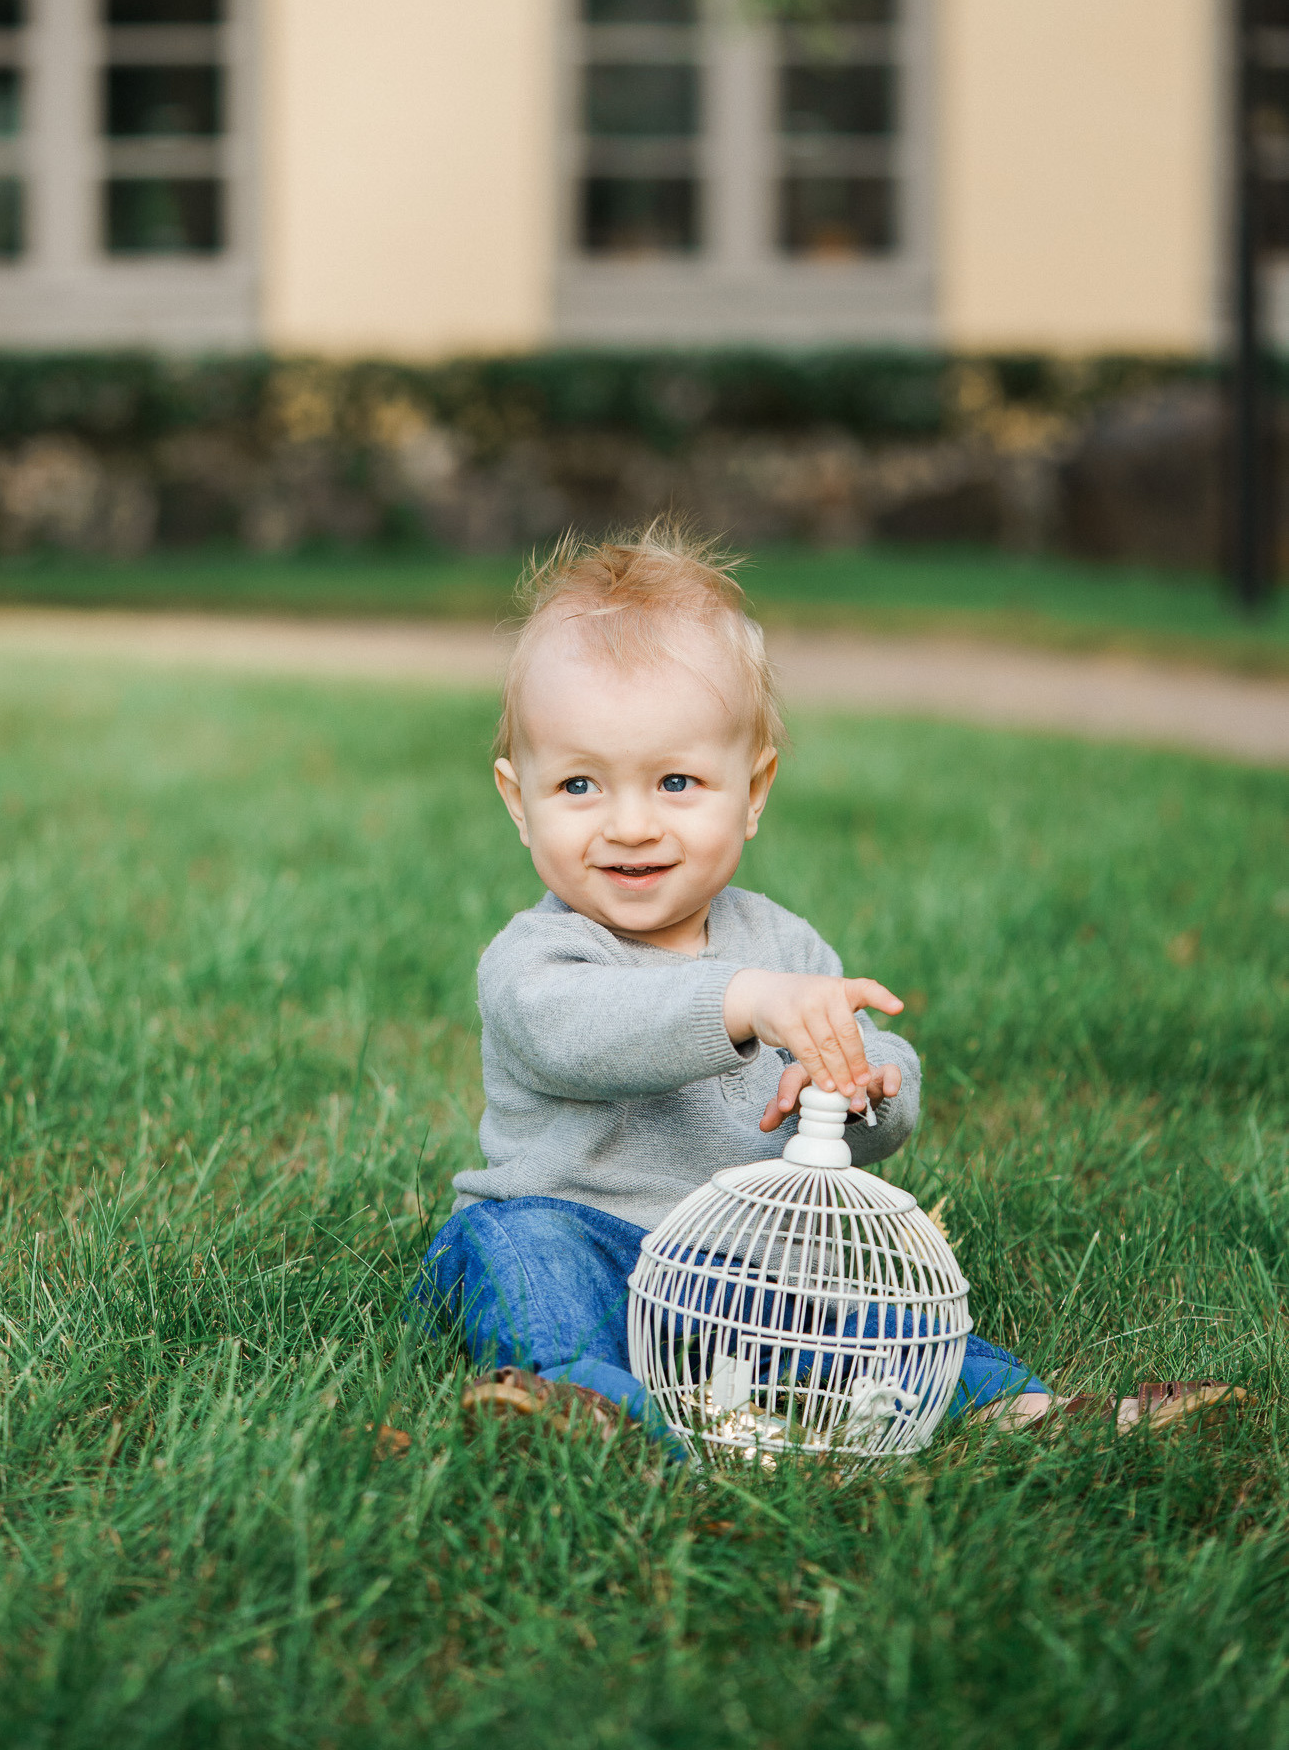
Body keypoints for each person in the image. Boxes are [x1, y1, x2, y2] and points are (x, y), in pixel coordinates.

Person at [421, 521, 1235, 1448]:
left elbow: (874, 1092)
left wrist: (860, 1087)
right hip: (577, 1237)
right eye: (578, 786)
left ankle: (1022, 1407)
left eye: (677, 781)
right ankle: (582, 1398)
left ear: (753, 789)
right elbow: (575, 1033)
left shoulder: (781, 942)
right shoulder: (536, 956)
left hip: (731, 1278)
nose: (630, 823)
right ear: (516, 801)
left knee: (867, 1316)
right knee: (516, 1253)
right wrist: (742, 1005)